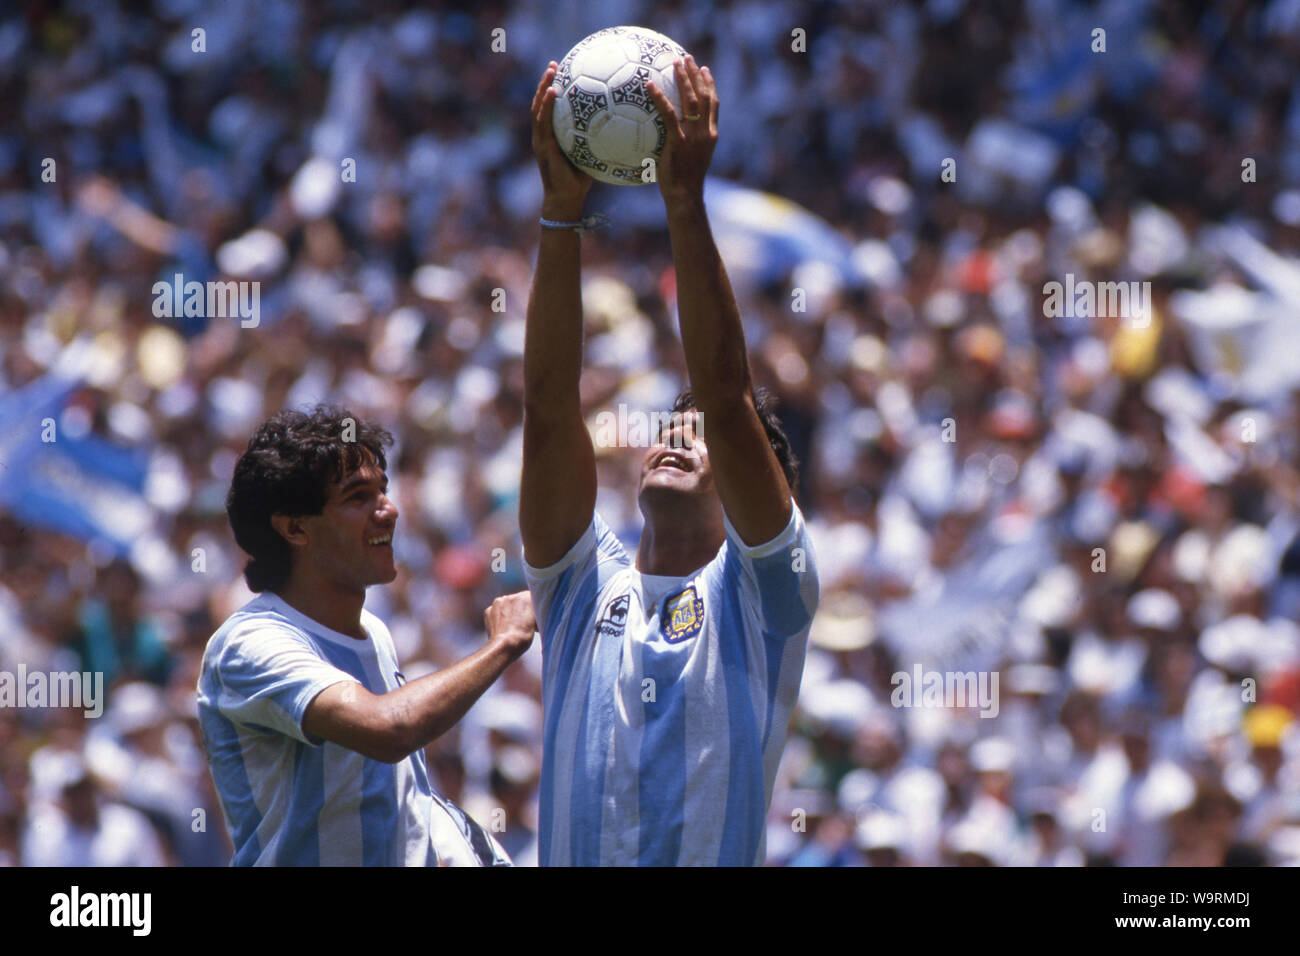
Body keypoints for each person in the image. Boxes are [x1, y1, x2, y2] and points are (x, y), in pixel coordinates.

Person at [520, 56, 820, 865]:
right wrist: (560, 214)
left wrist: (683, 202)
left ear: (767, 491)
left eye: (706, 437)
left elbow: (726, 393)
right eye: (670, 424)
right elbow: (549, 412)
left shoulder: (765, 595)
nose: (680, 435)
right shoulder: (581, 591)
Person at [197, 405, 536, 866]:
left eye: (384, 490)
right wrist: (502, 645)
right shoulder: (251, 643)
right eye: (358, 497)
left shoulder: (373, 632)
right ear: (295, 527)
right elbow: (389, 729)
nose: (389, 510)